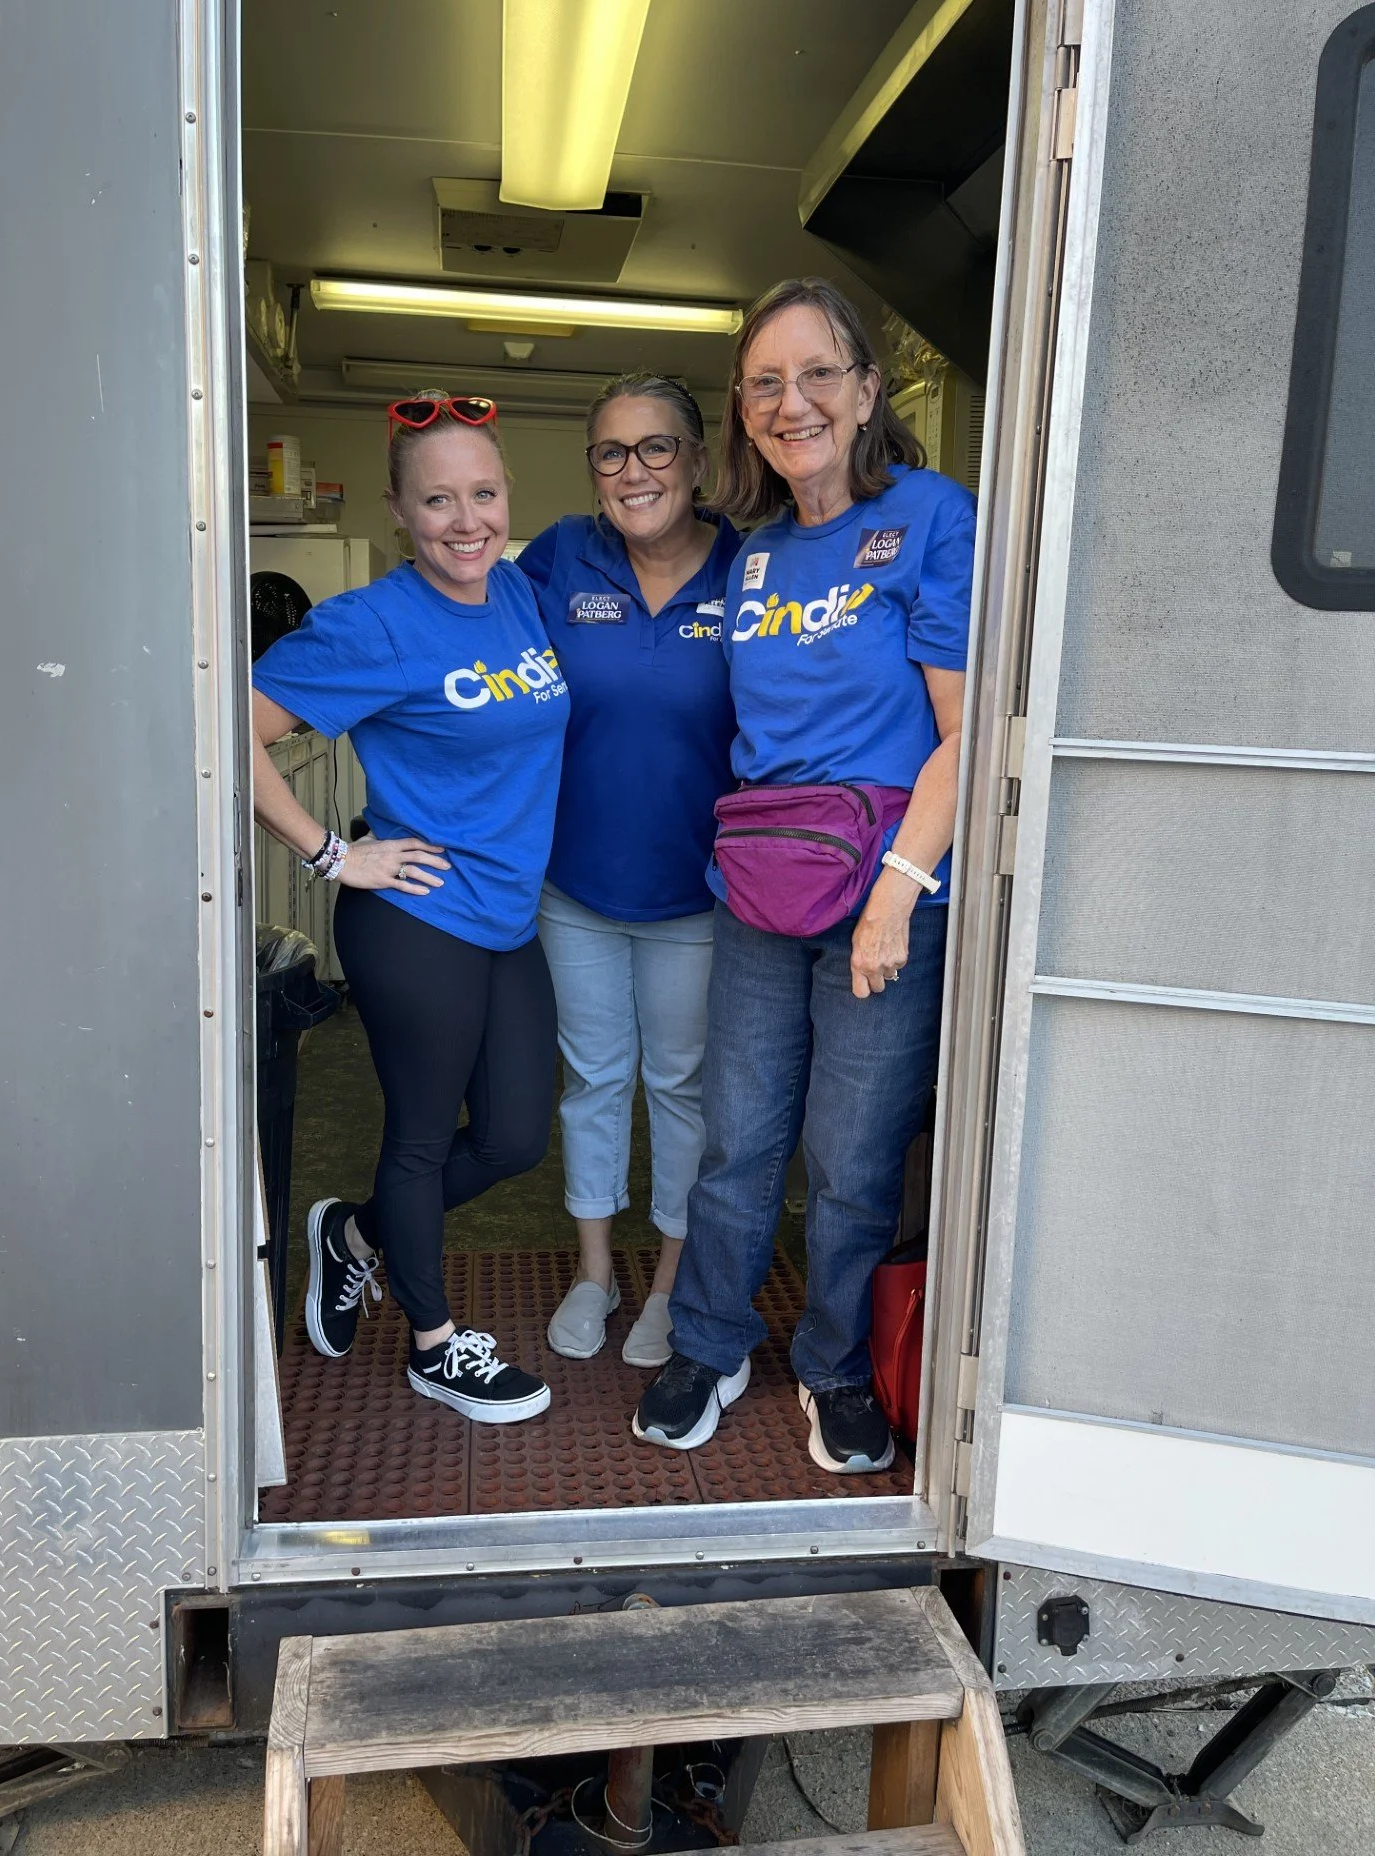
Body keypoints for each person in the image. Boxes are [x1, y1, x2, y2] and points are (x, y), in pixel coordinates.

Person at [633, 278, 975, 1473]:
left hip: (885, 887)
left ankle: (831, 1365)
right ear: (745, 410)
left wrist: (897, 895)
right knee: (739, 1137)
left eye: (819, 373)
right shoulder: (757, 554)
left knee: (850, 1153)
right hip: (762, 890)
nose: (795, 402)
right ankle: (713, 1340)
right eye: (767, 382)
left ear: (869, 389)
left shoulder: (932, 517)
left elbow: (964, 732)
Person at [250, 393, 570, 1424]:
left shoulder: (518, 593)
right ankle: (435, 1346)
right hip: (415, 918)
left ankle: (354, 1236)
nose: (465, 520)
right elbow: (216, 731)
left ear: (506, 494)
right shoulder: (371, 624)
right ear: (399, 509)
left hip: (506, 920)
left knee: (517, 1137)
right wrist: (334, 853)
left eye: (482, 493)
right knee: (424, 1138)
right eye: (438, 500)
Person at [518, 376, 742, 1367]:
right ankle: (598, 1273)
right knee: (596, 1082)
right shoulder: (561, 556)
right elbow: (480, 668)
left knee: (683, 1087)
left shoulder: (752, 567)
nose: (634, 469)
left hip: (699, 892)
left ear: (697, 461)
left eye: (657, 448)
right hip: (577, 889)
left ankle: (669, 1284)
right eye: (611, 452)